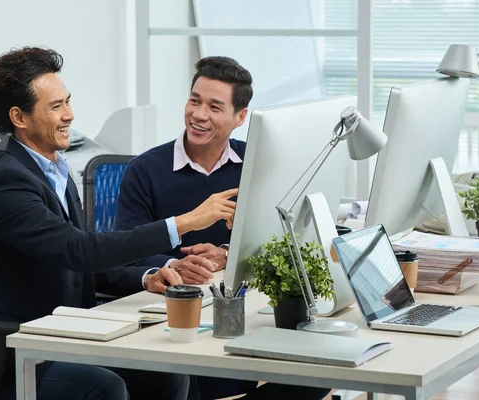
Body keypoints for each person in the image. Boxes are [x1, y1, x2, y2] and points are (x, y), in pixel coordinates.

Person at [0, 47, 238, 400]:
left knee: (169, 373)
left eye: (67, 102)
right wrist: (185, 222)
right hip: (12, 351)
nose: (69, 115)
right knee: (104, 388)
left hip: (60, 335)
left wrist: (149, 276)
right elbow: (80, 252)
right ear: (19, 117)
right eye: (55, 106)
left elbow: (81, 269)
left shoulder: (53, 170)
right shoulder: (7, 183)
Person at [116, 56, 330, 400]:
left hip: (241, 310)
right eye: (194, 100)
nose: (199, 115)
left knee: (316, 373)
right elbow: (124, 253)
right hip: (173, 317)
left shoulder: (257, 164)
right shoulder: (145, 169)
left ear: (240, 117)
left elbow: (281, 241)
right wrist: (174, 266)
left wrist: (226, 255)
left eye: (215, 106)